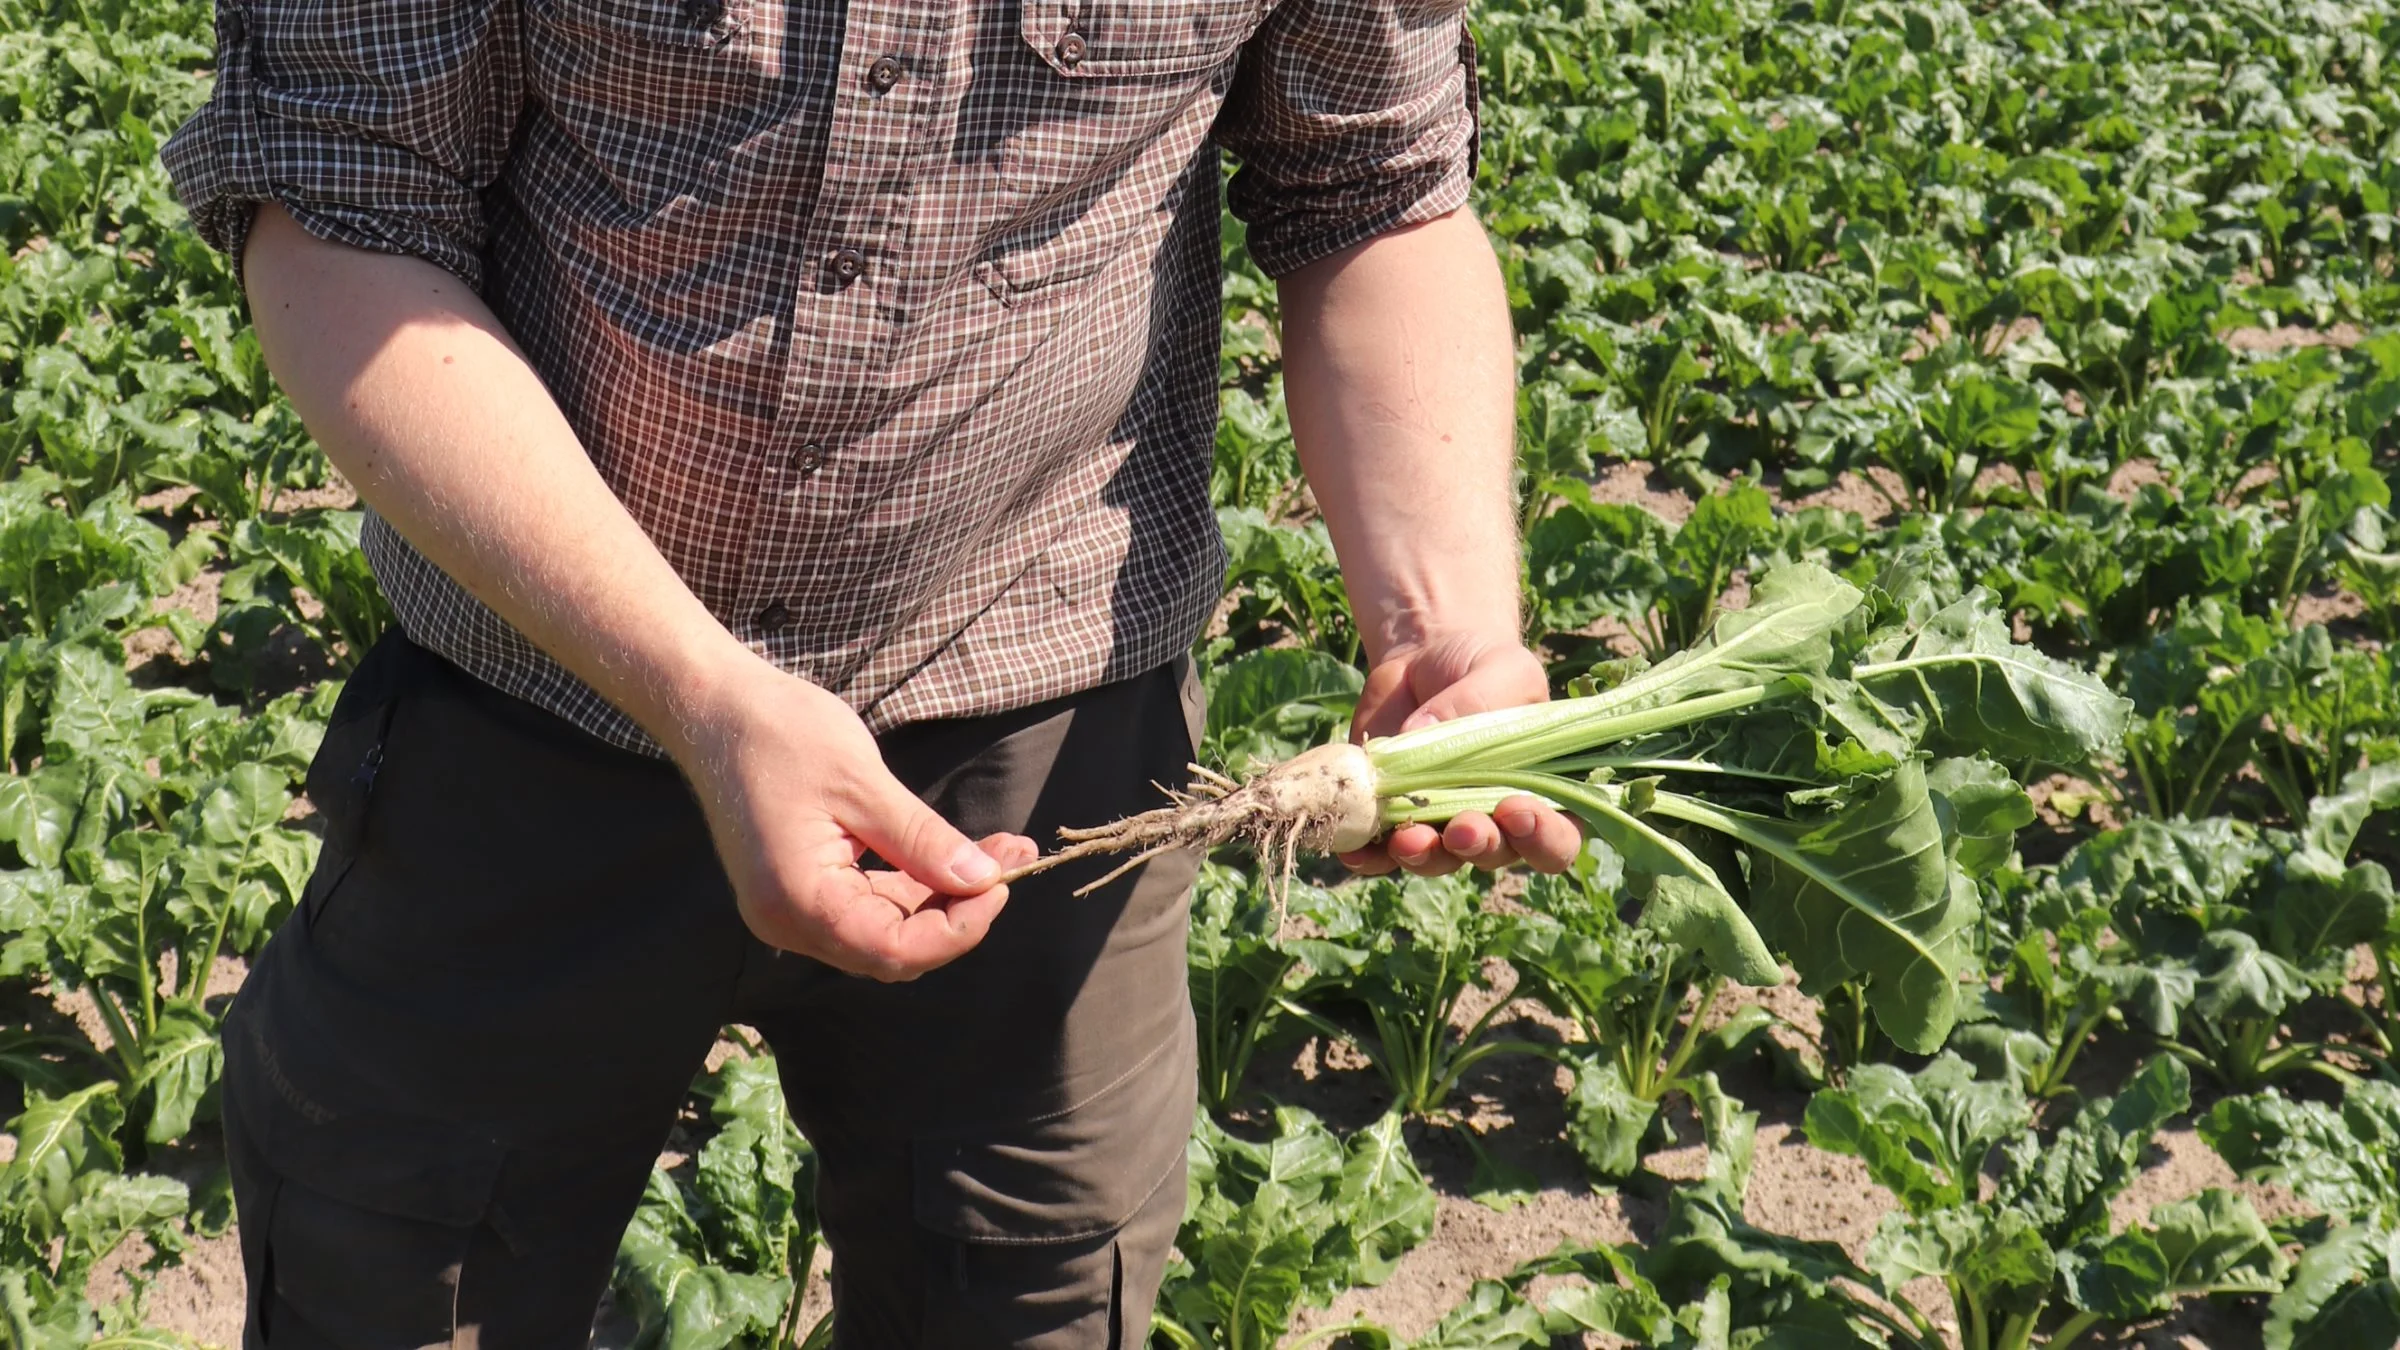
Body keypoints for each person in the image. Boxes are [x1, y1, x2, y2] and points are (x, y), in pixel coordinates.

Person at [162, 0, 1582, 1342]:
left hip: (1049, 759)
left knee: (1028, 1291)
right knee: (402, 1275)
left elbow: (1375, 191)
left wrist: (1440, 614)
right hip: (533, 712)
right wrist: (701, 690)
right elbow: (344, 210)